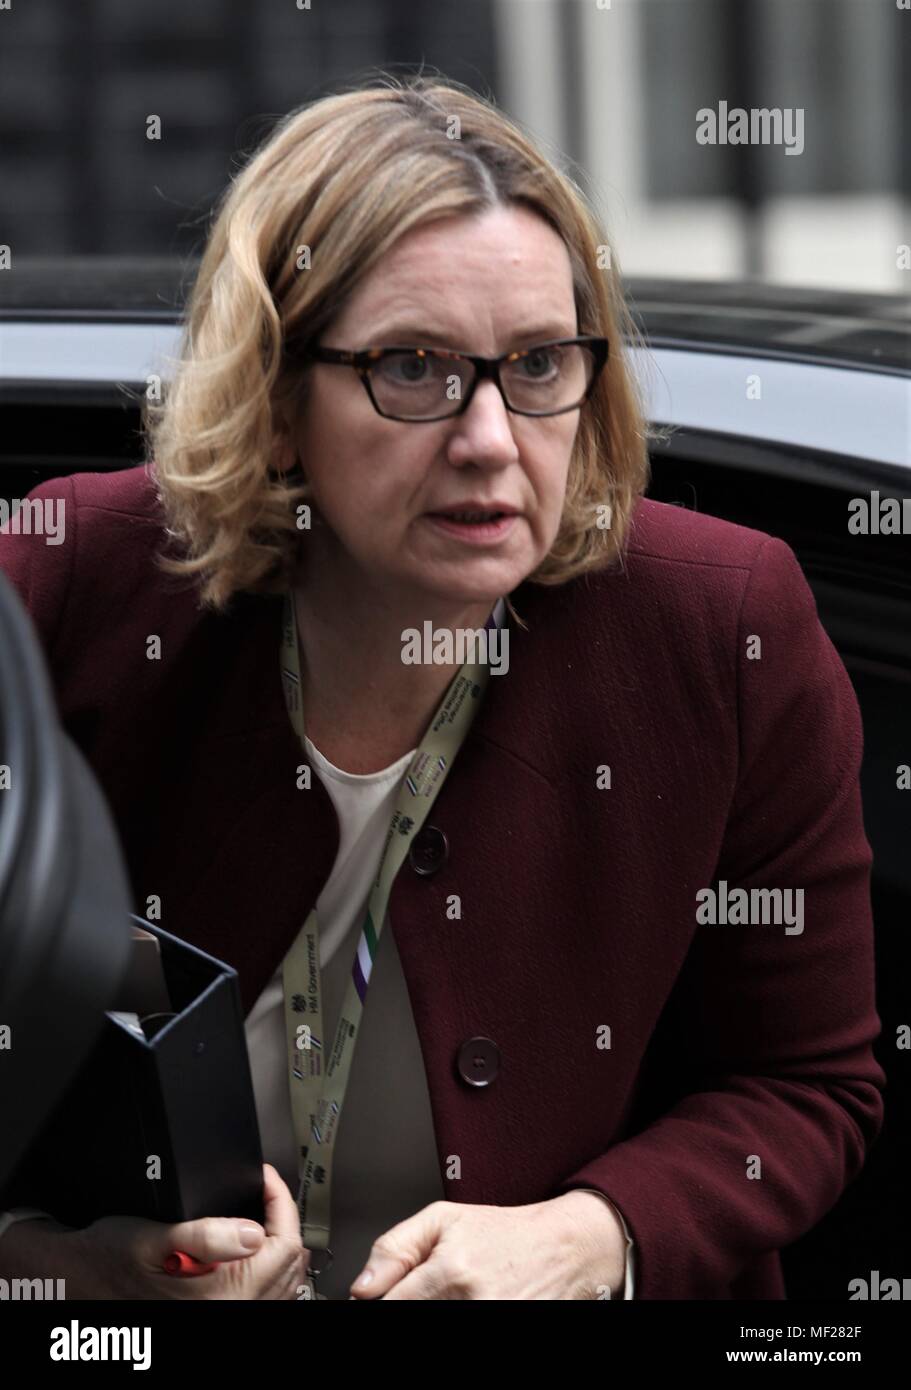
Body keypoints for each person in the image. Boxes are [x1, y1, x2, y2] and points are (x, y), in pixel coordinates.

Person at [0, 72, 885, 1300]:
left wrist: (588, 1238)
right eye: (412, 367)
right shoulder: (64, 585)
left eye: (536, 364)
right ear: (273, 401)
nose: (487, 437)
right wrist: (51, 1273)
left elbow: (805, 1086)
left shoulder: (722, 629)